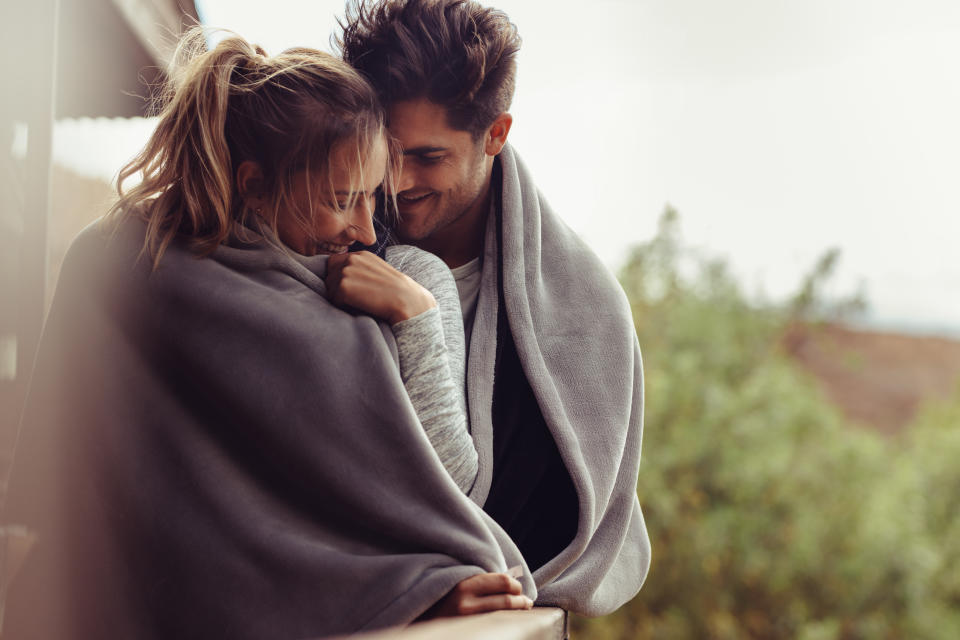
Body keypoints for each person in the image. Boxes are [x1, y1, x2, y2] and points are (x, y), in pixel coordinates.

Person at [2, 29, 535, 640]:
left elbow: (432, 493)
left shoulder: (396, 285)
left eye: (372, 198)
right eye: (340, 200)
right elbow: (180, 519)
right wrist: (411, 594)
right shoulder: (120, 267)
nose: (365, 231)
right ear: (255, 184)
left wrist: (415, 317)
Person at [339, 0, 652, 615]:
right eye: (386, 151)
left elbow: (555, 530)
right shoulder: (321, 236)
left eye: (427, 157)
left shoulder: (586, 312)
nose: (396, 183)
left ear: (496, 135)